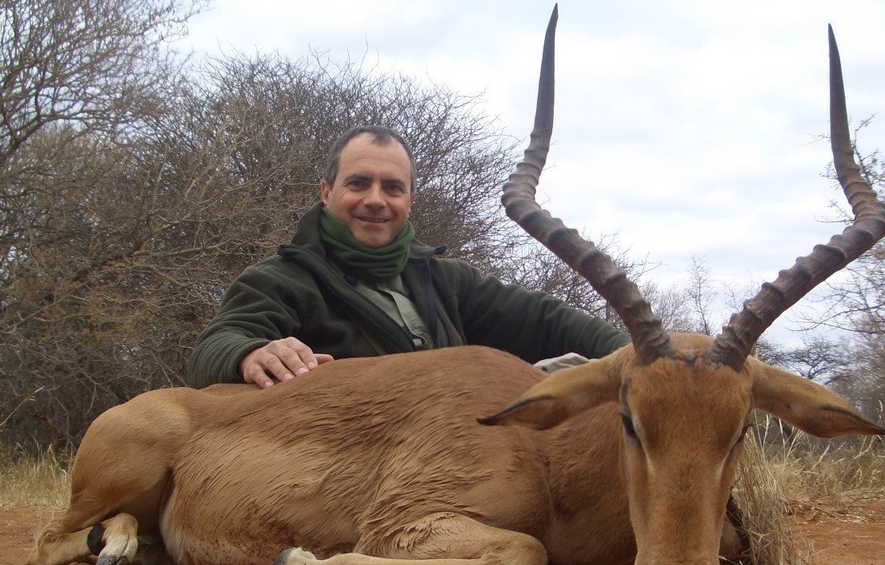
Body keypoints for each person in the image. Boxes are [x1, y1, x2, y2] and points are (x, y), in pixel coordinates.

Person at [187, 125, 630, 389]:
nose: (376, 200)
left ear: (410, 200)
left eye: (392, 188)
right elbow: (214, 347)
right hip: (348, 466)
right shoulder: (280, 280)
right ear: (326, 193)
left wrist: (645, 356)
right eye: (358, 183)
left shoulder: (447, 279)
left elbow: (550, 321)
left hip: (456, 447)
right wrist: (249, 354)